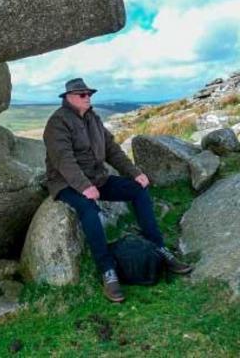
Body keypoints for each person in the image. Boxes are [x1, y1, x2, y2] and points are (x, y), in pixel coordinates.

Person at [43, 77, 192, 302]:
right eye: (83, 95)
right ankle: (107, 270)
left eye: (89, 94)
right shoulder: (57, 123)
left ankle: (160, 249)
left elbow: (112, 150)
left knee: (137, 190)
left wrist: (135, 173)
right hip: (66, 183)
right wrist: (84, 187)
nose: (88, 98)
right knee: (88, 209)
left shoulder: (93, 118)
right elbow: (64, 160)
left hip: (97, 179)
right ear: (69, 98)